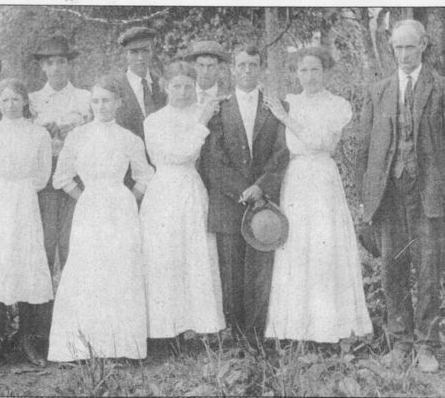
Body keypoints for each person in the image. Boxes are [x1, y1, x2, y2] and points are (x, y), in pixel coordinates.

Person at [263, 46, 373, 346]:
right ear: (295, 73)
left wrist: (286, 118)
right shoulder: (291, 101)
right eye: (303, 70)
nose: (308, 76)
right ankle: (297, 329)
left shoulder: (337, 105)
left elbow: (319, 141)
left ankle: (329, 329)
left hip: (322, 178)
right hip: (296, 179)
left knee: (325, 246)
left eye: (314, 70)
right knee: (297, 245)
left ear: (325, 72)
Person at [357, 19, 445, 373]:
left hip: (430, 195)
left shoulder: (440, 88)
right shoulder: (377, 91)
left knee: (428, 270)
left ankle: (426, 344)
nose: (404, 54)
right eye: (398, 48)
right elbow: (363, 149)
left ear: (424, 45)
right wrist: (367, 197)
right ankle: (401, 343)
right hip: (388, 195)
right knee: (391, 270)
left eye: (410, 46)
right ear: (390, 49)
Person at [47, 75, 154, 362]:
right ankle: (81, 347)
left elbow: (145, 175)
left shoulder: (129, 138)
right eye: (95, 100)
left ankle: (121, 347)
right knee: (88, 271)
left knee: (120, 271)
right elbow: (62, 176)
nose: (101, 106)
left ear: (118, 103)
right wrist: (85, 198)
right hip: (90, 207)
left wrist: (129, 198)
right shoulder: (78, 136)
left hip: (121, 209)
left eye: (107, 100)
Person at [200, 45, 289, 342]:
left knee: (260, 268)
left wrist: (260, 187)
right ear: (233, 69)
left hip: (264, 201)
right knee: (232, 269)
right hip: (229, 201)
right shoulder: (219, 107)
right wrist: (242, 190)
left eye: (253, 64)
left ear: (261, 67)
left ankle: (256, 336)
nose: (247, 71)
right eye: (242, 65)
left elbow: (282, 151)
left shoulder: (276, 106)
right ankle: (235, 335)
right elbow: (213, 158)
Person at [0, 79, 52, 368]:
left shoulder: (39, 134)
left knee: (26, 266)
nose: (11, 104)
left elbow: (42, 176)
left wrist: (22, 189)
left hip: (25, 202)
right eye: (5, 100)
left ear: (25, 102)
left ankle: (28, 340)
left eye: (16, 99)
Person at [140, 61, 225, 345]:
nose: (183, 91)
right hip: (164, 190)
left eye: (188, 86)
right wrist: (201, 124)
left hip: (191, 188)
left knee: (195, 254)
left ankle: (199, 325)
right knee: (165, 257)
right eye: (177, 86)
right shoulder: (154, 121)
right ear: (166, 87)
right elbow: (179, 153)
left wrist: (202, 120)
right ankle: (166, 330)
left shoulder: (202, 114)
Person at [28, 33, 91, 354]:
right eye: (50, 62)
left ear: (70, 64)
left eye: (62, 61)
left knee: (73, 250)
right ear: (42, 67)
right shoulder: (32, 101)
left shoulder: (85, 98)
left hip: (75, 184)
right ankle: (39, 333)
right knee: (41, 251)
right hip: (42, 185)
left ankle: (75, 330)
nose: (56, 68)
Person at [115, 26, 167, 142]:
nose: (140, 58)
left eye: (145, 50)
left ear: (152, 52)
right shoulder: (115, 88)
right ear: (125, 55)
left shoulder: (162, 84)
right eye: (134, 52)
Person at [183, 40, 231, 105]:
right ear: (194, 66)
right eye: (201, 65)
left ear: (219, 68)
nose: (205, 71)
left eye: (211, 66)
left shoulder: (227, 98)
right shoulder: (182, 93)